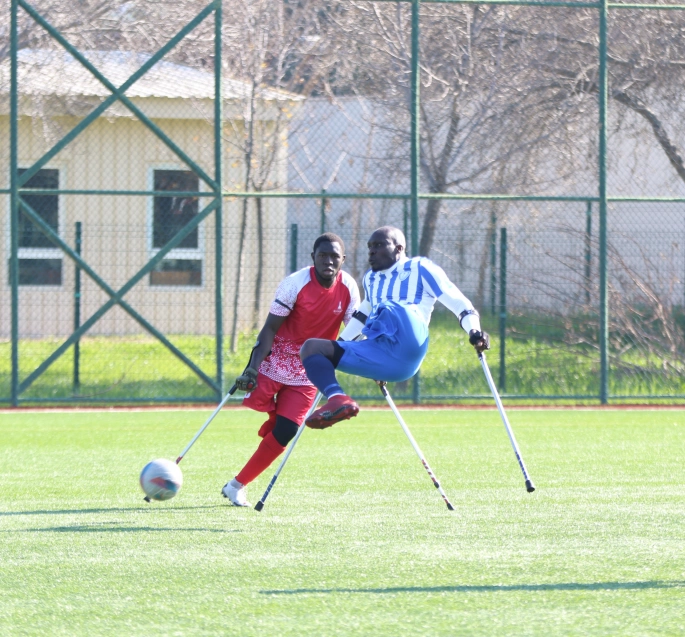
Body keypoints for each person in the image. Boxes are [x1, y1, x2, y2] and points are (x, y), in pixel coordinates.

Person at [299, 225, 490, 428]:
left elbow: (458, 302)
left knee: (389, 306)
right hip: (382, 353)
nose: (371, 251)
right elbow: (360, 317)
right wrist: (336, 350)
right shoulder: (370, 279)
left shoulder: (420, 268)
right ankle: (337, 399)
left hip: (410, 344)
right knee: (312, 348)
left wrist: (474, 331)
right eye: (370, 246)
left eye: (379, 245)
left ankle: (376, 339)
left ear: (399, 249)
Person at [222, 233, 360, 506]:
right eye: (323, 255)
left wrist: (373, 365)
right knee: (276, 421)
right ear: (313, 258)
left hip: (310, 368)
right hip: (276, 360)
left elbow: (354, 334)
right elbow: (269, 329)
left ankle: (236, 485)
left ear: (343, 260)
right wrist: (252, 369)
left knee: (287, 430)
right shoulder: (294, 284)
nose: (328, 261)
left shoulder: (349, 288)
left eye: (335, 256)